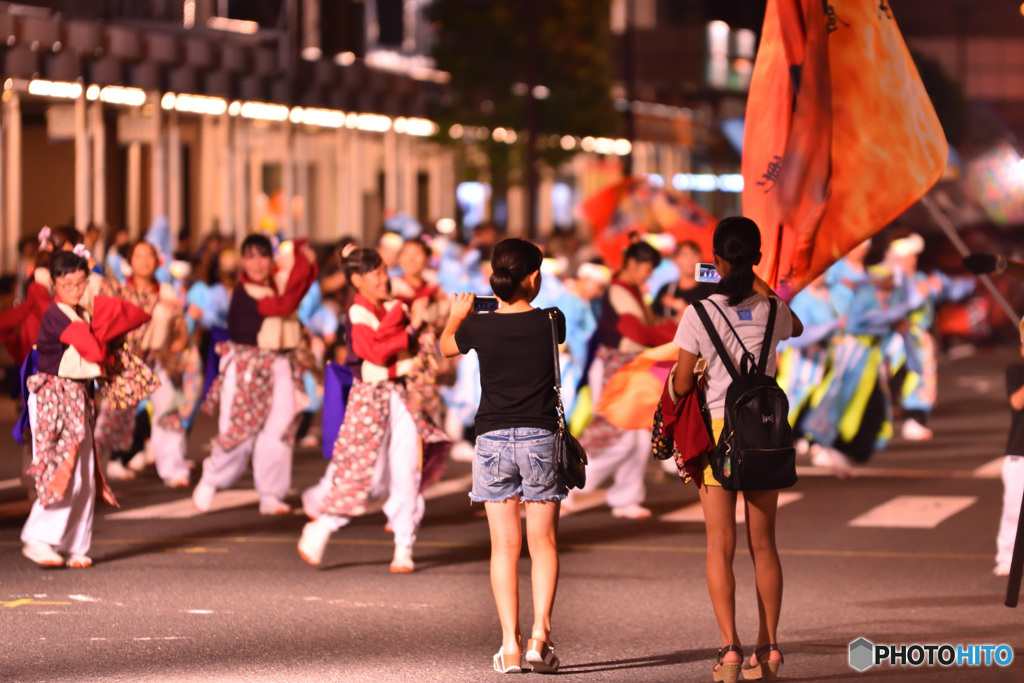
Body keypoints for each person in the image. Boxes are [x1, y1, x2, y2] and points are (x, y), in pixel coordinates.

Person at [670, 217, 803, 683]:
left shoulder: (699, 313)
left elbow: (684, 382)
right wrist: (759, 281)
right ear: (758, 258)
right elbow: (798, 325)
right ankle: (769, 649)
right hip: (765, 432)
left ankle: (729, 651)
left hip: (718, 435)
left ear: (718, 260)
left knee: (719, 546)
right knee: (764, 545)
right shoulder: (772, 309)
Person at [439, 238, 566, 674]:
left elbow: (445, 347)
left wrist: (457, 315)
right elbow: (548, 325)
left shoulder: (478, 326)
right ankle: (539, 637)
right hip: (540, 437)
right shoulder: (551, 320)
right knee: (543, 542)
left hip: (492, 439)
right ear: (532, 277)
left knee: (504, 547)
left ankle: (508, 644)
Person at [298, 247, 449, 573]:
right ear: (357, 280)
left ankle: (403, 546)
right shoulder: (358, 312)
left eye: (384, 270)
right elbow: (374, 352)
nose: (384, 278)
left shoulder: (399, 305)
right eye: (376, 274)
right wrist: (410, 328)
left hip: (405, 395)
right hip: (369, 397)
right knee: (361, 470)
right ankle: (321, 526)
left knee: (408, 469)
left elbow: (430, 325)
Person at [193, 234, 318, 515]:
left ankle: (271, 494)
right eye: (251, 256)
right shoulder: (244, 293)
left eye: (263, 255)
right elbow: (285, 305)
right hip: (249, 366)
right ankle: (212, 478)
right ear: (242, 261)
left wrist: (305, 260)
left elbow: (302, 283)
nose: (258, 263)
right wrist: (299, 254)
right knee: (240, 430)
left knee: (281, 431)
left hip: (282, 363)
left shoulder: (277, 284)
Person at [20, 251, 120, 567]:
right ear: (55, 283)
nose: (75, 289)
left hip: (76, 397)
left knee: (86, 475)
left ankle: (75, 543)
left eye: (81, 282)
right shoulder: (58, 315)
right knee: (63, 471)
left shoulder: (80, 312)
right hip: (54, 400)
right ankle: (38, 538)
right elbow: (93, 349)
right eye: (68, 283)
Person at [569, 241, 676, 519]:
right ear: (633, 264)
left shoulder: (631, 292)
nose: (649, 276)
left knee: (640, 437)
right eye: (647, 269)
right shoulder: (619, 291)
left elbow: (644, 331)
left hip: (633, 369)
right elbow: (637, 333)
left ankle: (625, 498)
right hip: (617, 368)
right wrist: (675, 333)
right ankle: (570, 485)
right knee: (615, 433)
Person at [95, 241, 192, 486]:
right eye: (138, 255)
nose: (144, 261)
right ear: (129, 261)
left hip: (158, 361)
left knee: (168, 411)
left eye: (149, 255)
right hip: (127, 360)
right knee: (114, 414)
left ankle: (174, 469)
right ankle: (102, 465)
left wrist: (176, 347)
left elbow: (181, 329)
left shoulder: (168, 292)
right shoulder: (116, 289)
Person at [996, 341, 1024, 577]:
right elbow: (1017, 401)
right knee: (1014, 509)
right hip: (1019, 454)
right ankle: (1007, 557)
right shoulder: (1016, 372)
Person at [653, 240, 717, 319]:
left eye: (695, 254)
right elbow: (655, 321)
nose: (690, 259)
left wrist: (684, 308)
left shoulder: (712, 289)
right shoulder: (667, 290)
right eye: (685, 255)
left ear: (701, 257)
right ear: (675, 259)